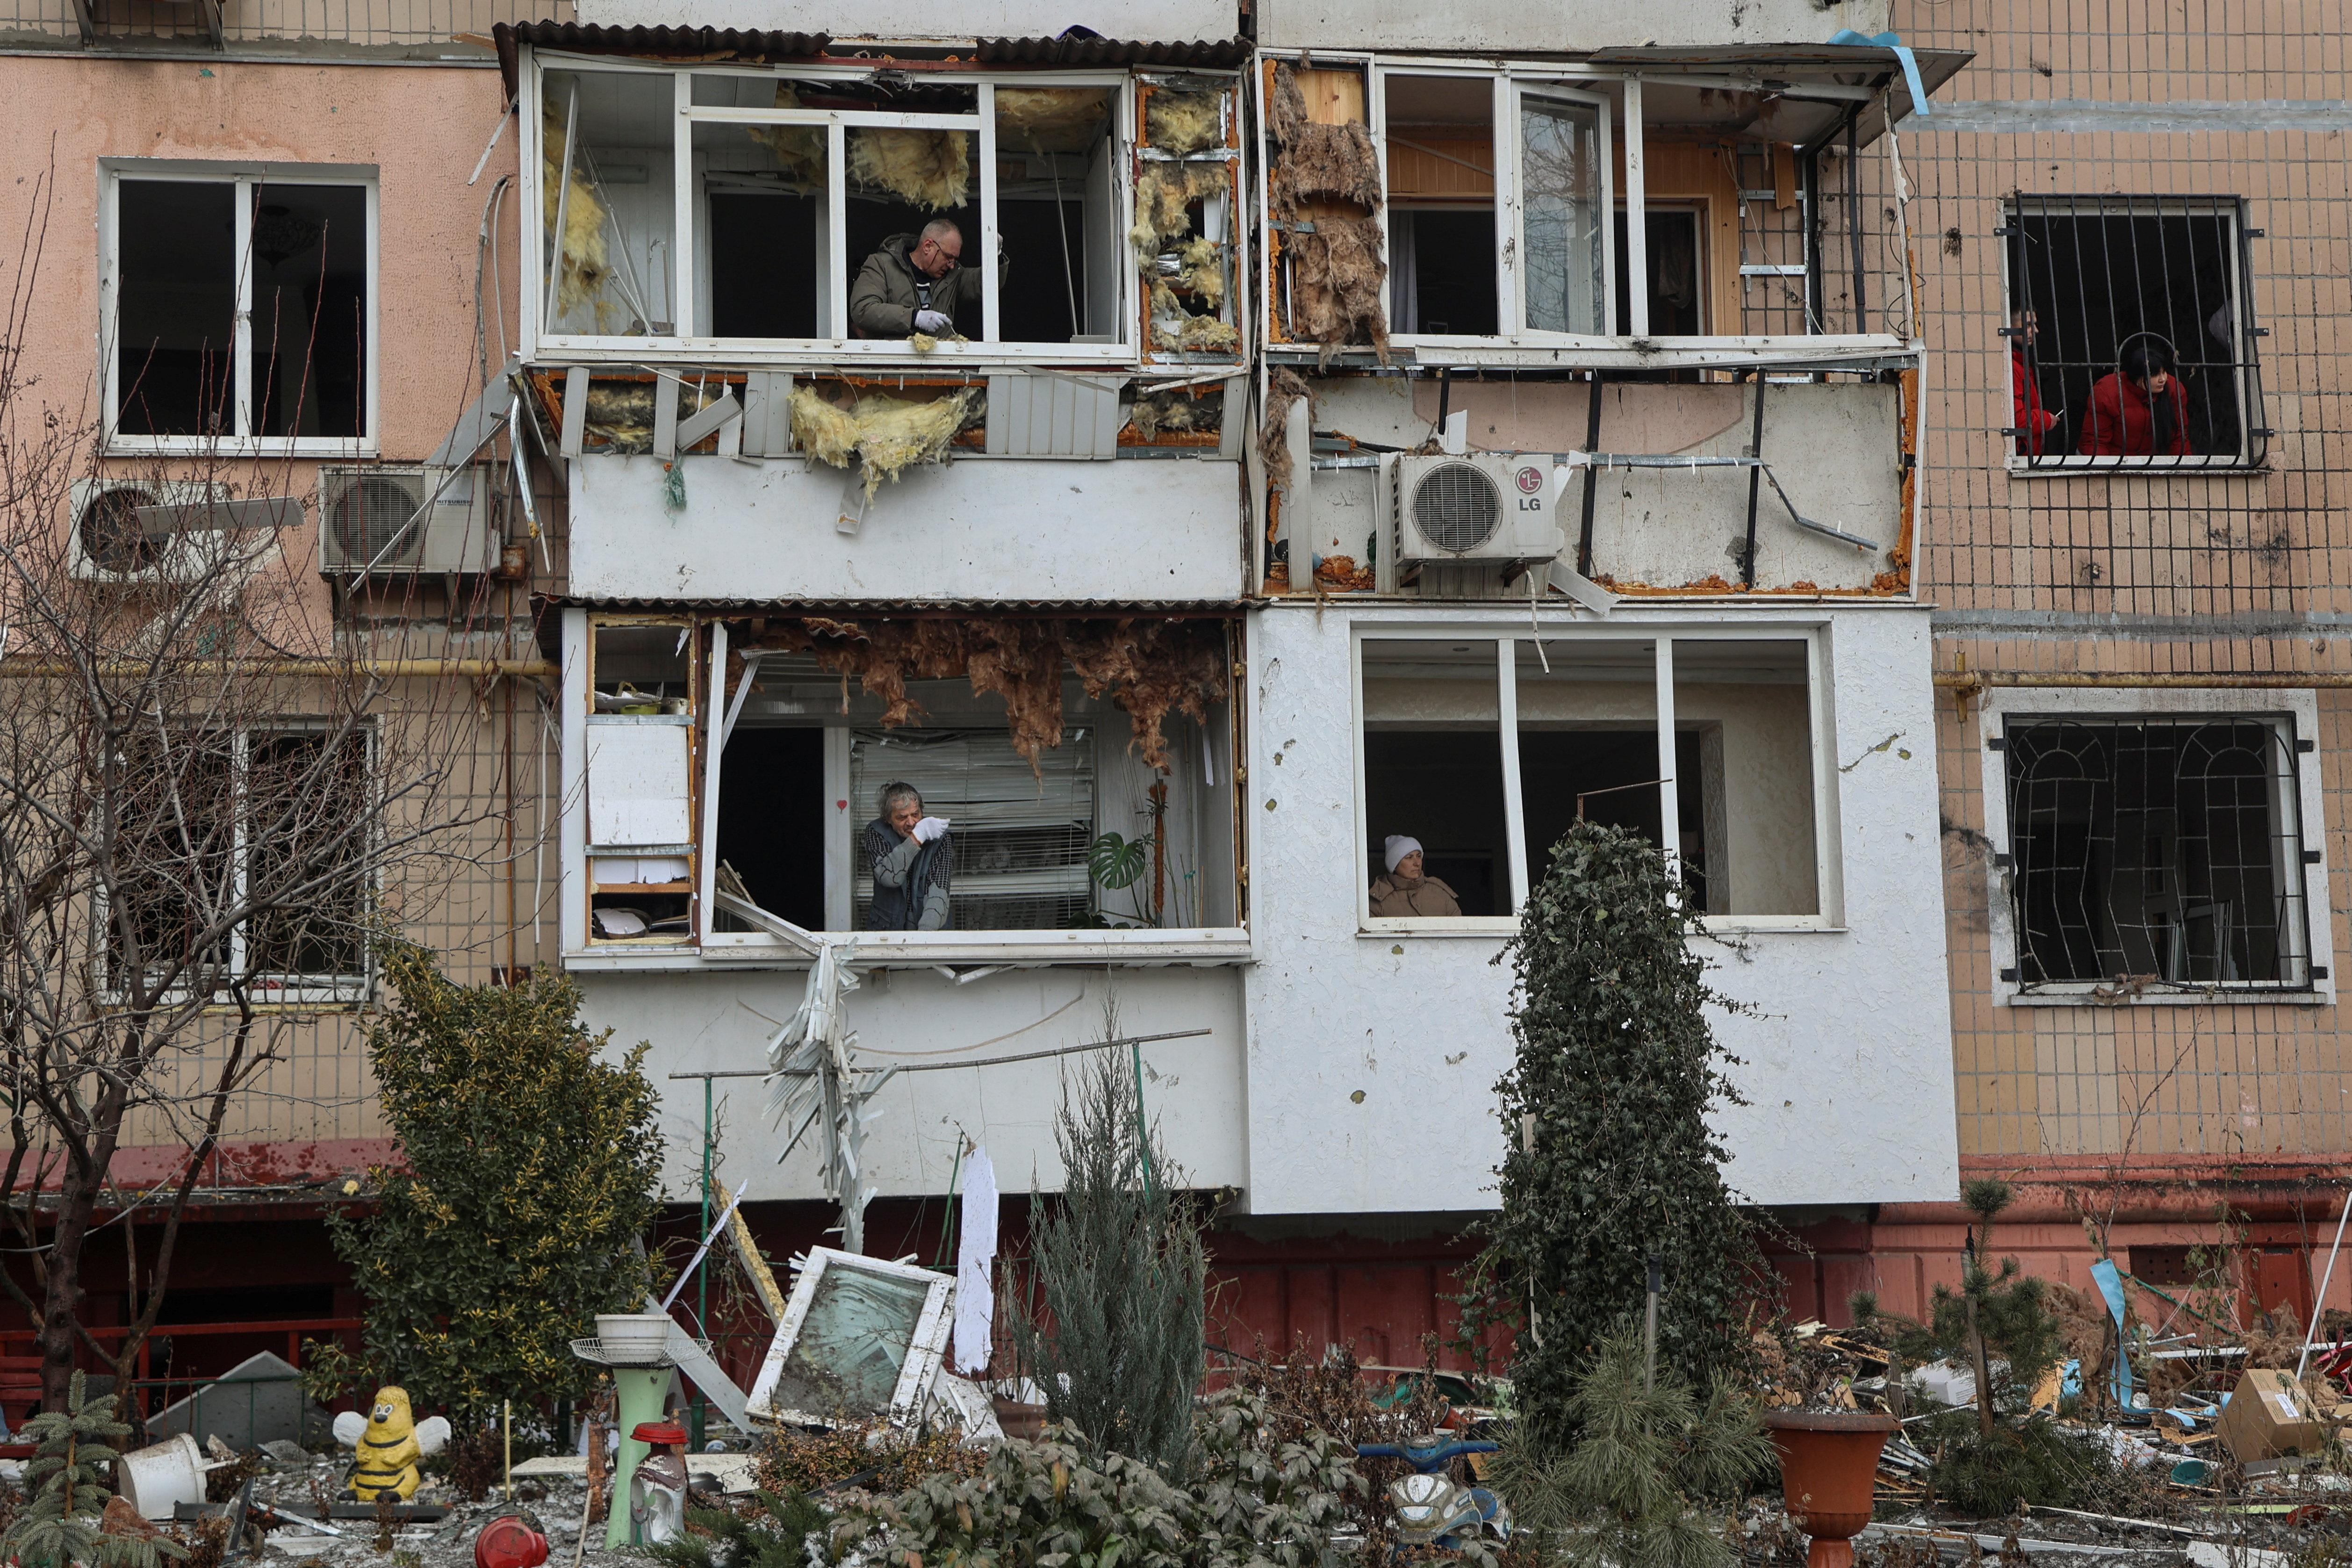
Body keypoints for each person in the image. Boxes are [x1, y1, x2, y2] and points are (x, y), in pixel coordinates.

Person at [849, 218, 1002, 339]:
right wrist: (914, 317)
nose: (951, 265)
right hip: (893, 368)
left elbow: (987, 285)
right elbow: (863, 310)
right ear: (928, 246)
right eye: (948, 257)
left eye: (955, 260)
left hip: (940, 371)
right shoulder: (881, 264)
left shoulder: (953, 275)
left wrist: (997, 256)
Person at [2081, 335, 2191, 457]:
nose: (2163, 379)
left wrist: (2185, 470)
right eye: (2154, 375)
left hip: (2150, 460)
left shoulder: (2174, 389)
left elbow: (2178, 437)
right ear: (2136, 376)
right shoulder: (2107, 392)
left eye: (2164, 372)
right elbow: (2096, 442)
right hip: (2112, 459)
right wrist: (2104, 473)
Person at [864, 781, 951, 931]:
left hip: (930, 931)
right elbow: (889, 878)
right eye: (902, 818)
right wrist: (917, 838)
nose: (911, 823)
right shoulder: (876, 831)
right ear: (888, 819)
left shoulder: (941, 838)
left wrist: (922, 940)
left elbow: (938, 894)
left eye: (916, 814)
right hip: (886, 930)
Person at [1368, 835, 1461, 918]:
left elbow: (1459, 930)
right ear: (1395, 865)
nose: (1417, 863)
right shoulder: (1378, 899)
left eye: (1419, 856)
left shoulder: (1440, 893)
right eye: (1409, 857)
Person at [2010, 307, 2060, 457]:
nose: (2036, 331)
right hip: (2020, 453)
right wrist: (2046, 420)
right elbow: (2016, 419)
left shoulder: (2021, 362)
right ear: (2009, 326)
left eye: (2035, 325)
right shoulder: (2012, 366)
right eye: (2029, 325)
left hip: (2026, 453)